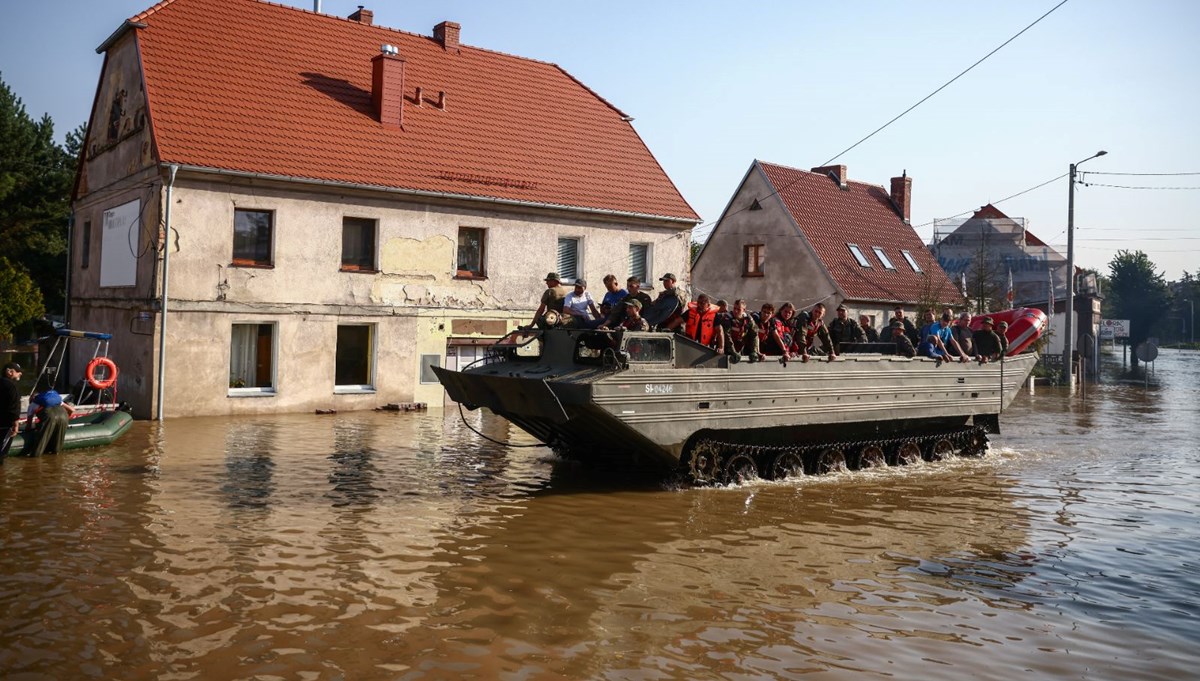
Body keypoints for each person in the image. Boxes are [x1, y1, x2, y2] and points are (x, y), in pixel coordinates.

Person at [22, 387, 75, 457]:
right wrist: (66, 420)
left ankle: (35, 456)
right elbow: (72, 410)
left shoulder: (33, 404)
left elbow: (29, 425)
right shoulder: (55, 400)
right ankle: (56, 456)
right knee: (57, 446)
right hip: (64, 416)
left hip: (50, 417)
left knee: (42, 440)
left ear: (31, 398)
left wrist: (28, 430)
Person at [1, 362, 22, 460]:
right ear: (9, 372)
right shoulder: (12, 386)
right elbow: (14, 407)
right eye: (17, 371)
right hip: (5, 424)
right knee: (2, 452)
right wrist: (16, 424)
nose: (20, 373)